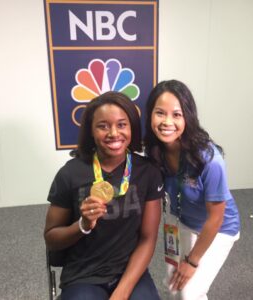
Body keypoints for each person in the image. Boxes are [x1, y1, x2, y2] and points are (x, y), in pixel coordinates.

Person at [44, 91, 164, 300]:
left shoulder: (147, 172)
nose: (113, 133)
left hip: (130, 271)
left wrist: (122, 292)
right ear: (91, 130)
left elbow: (147, 238)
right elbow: (51, 239)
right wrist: (83, 225)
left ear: (131, 128)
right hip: (84, 275)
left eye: (121, 124)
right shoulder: (70, 174)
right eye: (103, 126)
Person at [144, 80, 240, 300]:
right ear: (150, 115)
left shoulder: (209, 160)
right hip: (180, 221)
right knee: (173, 287)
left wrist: (192, 261)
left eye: (176, 115)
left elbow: (216, 217)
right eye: (160, 113)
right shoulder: (154, 150)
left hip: (218, 228)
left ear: (188, 117)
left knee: (190, 293)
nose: (167, 122)